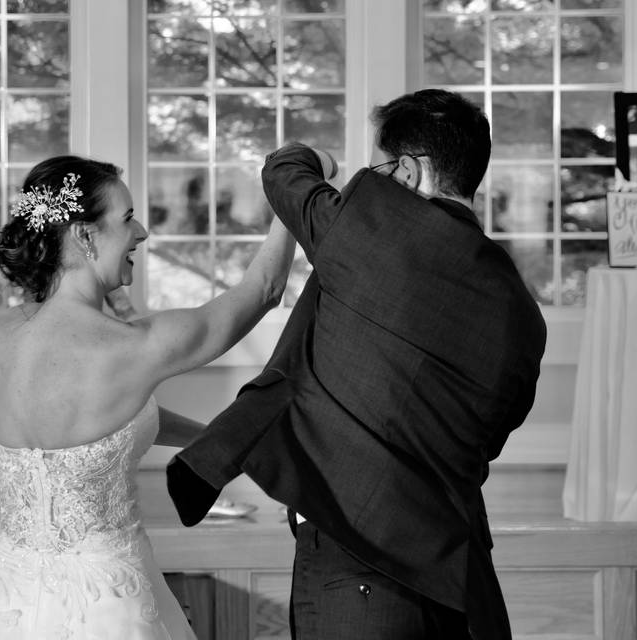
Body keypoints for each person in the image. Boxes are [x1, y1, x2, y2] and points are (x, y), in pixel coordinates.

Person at [167, 89, 548, 639]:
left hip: (355, 559)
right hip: (455, 569)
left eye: (383, 167)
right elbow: (494, 431)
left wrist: (319, 161)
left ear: (412, 172)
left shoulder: (372, 231)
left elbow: (283, 173)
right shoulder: (521, 308)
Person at [0, 154, 296, 639]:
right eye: (127, 219)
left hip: (8, 598)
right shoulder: (130, 347)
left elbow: (108, 418)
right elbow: (264, 288)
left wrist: (216, 442)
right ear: (85, 235)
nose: (141, 234)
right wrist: (293, 190)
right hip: (107, 606)